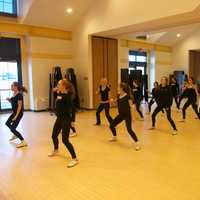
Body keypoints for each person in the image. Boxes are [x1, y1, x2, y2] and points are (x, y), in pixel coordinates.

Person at [48, 79, 78, 168]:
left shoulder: (68, 96)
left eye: (59, 84)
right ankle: (56, 150)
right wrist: (57, 90)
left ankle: (75, 158)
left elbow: (73, 110)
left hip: (66, 119)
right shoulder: (60, 93)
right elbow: (58, 99)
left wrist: (73, 121)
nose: (57, 85)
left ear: (64, 86)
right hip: (59, 118)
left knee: (65, 140)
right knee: (54, 135)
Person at [109, 82, 141, 150]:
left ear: (122, 88)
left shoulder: (127, 96)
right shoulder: (118, 96)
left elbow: (132, 106)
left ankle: (137, 143)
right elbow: (115, 104)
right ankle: (115, 137)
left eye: (118, 87)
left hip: (127, 115)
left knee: (129, 129)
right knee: (111, 125)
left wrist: (133, 117)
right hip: (121, 115)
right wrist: (112, 102)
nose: (117, 88)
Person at [5, 82, 28, 148]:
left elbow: (19, 107)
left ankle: (23, 141)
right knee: (7, 123)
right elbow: (13, 102)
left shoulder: (19, 95)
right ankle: (15, 134)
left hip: (18, 114)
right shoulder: (14, 94)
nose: (11, 87)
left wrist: (16, 116)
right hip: (14, 113)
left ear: (16, 87)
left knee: (12, 128)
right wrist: (9, 100)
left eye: (12, 86)